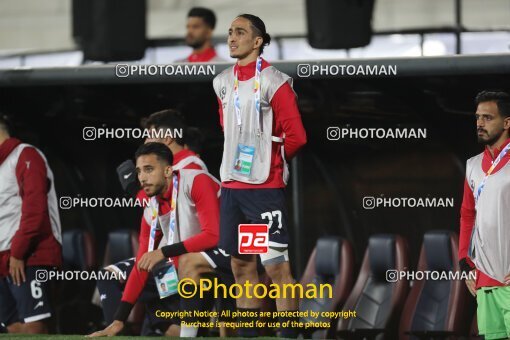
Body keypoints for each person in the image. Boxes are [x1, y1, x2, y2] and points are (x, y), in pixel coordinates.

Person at [212, 14, 307, 338]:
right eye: (229, 32)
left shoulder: (274, 81)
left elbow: (296, 136)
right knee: (242, 266)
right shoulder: (222, 82)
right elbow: (228, 129)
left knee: (276, 268)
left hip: (264, 192)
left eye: (240, 32)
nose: (231, 37)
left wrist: (272, 165)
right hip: (233, 190)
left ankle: (288, 335)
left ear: (258, 41)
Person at [89, 143, 233, 338]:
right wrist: (118, 320)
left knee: (187, 261)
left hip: (232, 247)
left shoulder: (195, 181)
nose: (142, 177)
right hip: (192, 260)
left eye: (149, 169)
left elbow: (213, 235)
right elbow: (142, 265)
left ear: (167, 170)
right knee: (116, 275)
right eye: (139, 171)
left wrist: (163, 252)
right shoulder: (151, 209)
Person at [0, 115, 62, 334]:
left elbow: (35, 209)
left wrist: (18, 253)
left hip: (29, 255)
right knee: (12, 326)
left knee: (33, 325)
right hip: (4, 257)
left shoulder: (26, 155)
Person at [459, 90, 510, 340]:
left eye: (488, 118)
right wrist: (465, 264)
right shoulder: (472, 165)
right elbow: (467, 215)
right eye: (478, 118)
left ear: (507, 122)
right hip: (484, 283)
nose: (480, 123)